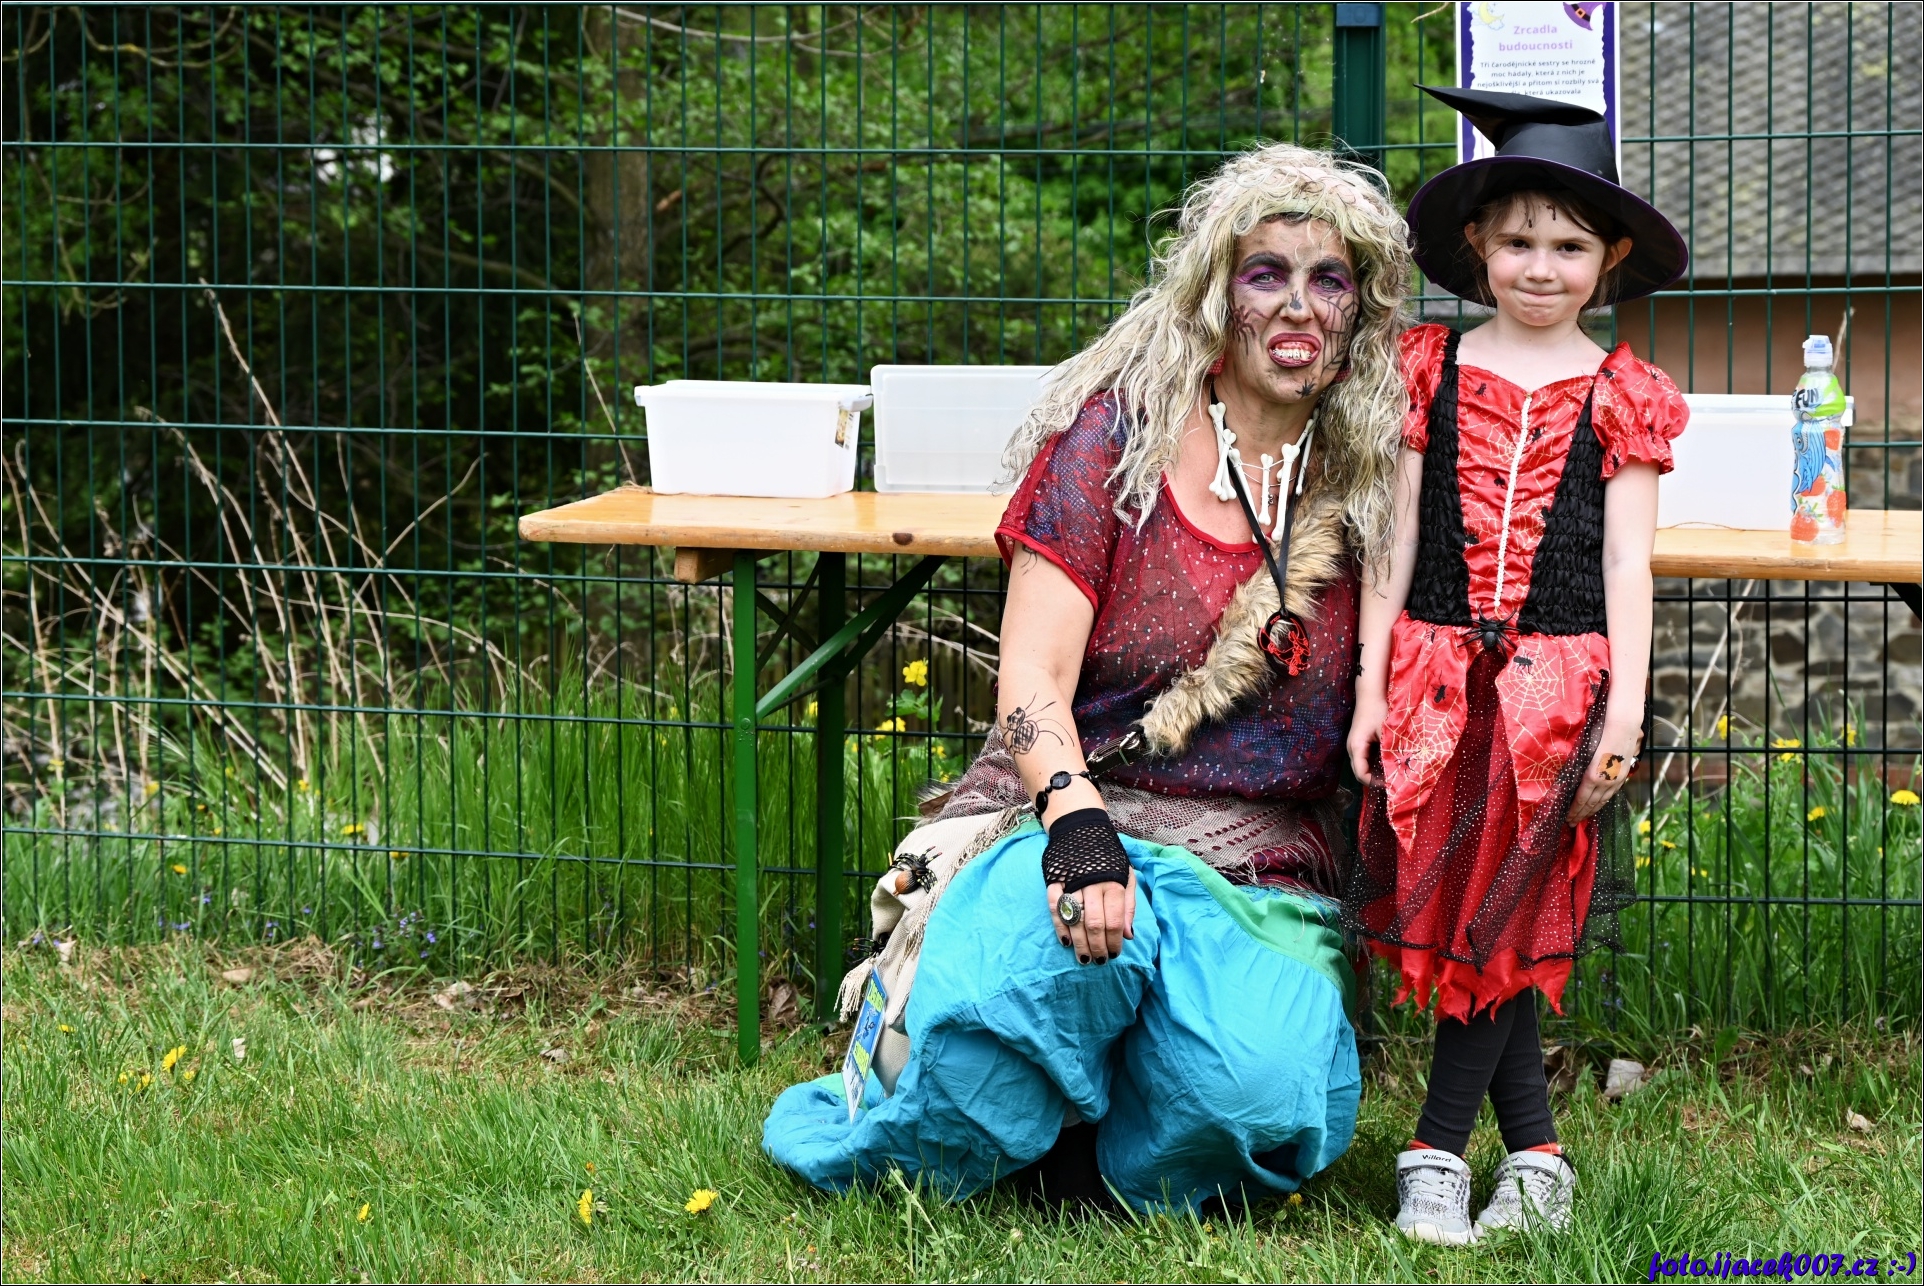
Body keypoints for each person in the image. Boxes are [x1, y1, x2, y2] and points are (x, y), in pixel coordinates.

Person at [762, 143, 1412, 1213]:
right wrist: (1077, 829)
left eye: (1328, 278)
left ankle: (1085, 1148)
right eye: (1267, 273)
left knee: (1257, 1102)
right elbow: (1030, 674)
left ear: (1361, 308)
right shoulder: (1116, 440)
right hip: (1075, 801)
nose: (1298, 304)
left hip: (1254, 861)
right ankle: (945, 1044)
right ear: (1217, 293)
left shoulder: (1383, 478)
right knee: (998, 1028)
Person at [1344, 86, 1690, 1244]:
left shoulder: (1622, 394)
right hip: (1433, 682)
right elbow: (1392, 540)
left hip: (1562, 695)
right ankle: (1537, 1158)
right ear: (1478, 246)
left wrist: (1624, 715)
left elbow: (1629, 565)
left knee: (1509, 908)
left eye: (1569, 246)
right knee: (1463, 908)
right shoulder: (1426, 367)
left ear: (1610, 259)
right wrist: (1366, 685)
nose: (1541, 267)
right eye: (1519, 242)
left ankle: (1434, 1151)